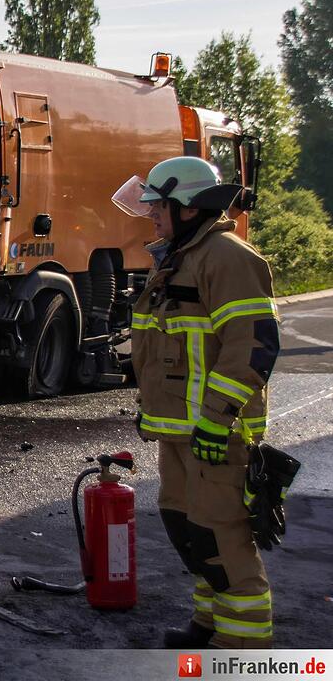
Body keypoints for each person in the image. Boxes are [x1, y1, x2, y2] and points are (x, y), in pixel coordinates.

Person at [114, 156, 280, 649]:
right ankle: (208, 622)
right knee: (190, 532)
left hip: (215, 433)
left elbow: (251, 346)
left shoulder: (227, 258)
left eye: (158, 206)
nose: (151, 214)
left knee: (222, 538)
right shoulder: (181, 256)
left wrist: (216, 420)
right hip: (180, 432)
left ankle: (243, 650)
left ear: (188, 208)